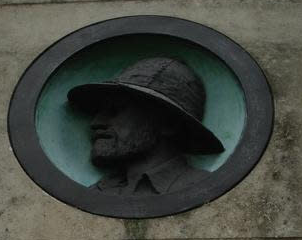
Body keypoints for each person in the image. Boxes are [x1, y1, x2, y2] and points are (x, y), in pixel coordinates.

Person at [68, 57, 224, 196]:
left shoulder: (205, 190)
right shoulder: (96, 193)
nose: (96, 123)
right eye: (98, 112)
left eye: (115, 111)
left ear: (168, 123)